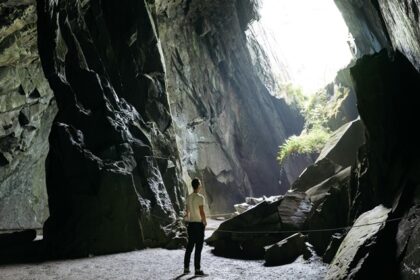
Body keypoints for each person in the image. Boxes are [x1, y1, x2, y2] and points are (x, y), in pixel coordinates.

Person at [183, 178, 207, 276]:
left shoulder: (188, 197)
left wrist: (185, 219)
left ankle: (186, 268)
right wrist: (204, 221)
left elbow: (186, 212)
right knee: (198, 248)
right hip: (198, 224)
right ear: (198, 185)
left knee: (189, 247)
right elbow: (201, 211)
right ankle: (197, 270)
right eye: (200, 184)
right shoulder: (200, 197)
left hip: (191, 224)